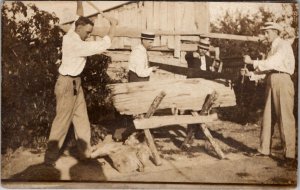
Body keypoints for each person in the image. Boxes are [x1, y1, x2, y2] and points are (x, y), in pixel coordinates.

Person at [44, 2, 118, 166]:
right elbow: (105, 43)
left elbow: (79, 15)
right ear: (79, 29)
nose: (89, 35)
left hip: (76, 83)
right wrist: (113, 26)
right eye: (88, 32)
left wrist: (79, 1)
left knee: (82, 119)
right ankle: (49, 160)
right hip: (66, 84)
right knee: (62, 121)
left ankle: (85, 155)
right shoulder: (77, 44)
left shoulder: (72, 32)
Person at [243, 22, 296, 167]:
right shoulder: (272, 48)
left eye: (266, 32)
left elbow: (273, 63)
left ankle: (290, 156)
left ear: (274, 32)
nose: (265, 35)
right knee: (268, 116)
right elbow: (268, 69)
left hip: (282, 80)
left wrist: (252, 62)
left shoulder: (283, 45)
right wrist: (252, 73)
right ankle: (264, 149)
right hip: (272, 79)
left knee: (285, 117)